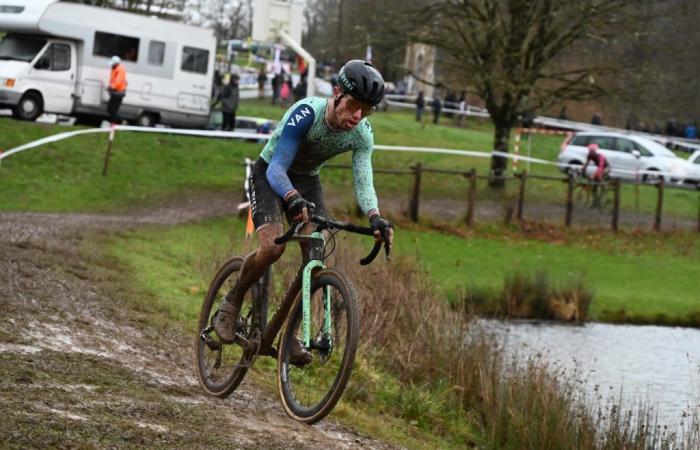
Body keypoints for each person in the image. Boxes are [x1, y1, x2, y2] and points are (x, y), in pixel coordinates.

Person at [213, 60, 394, 363]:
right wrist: (291, 198)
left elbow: (363, 181)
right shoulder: (306, 113)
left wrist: (375, 216)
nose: (358, 116)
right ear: (336, 93)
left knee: (315, 259)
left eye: (367, 109)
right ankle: (231, 302)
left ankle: (288, 335)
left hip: (307, 181)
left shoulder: (362, 133)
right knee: (272, 249)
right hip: (270, 174)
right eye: (353, 105)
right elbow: (278, 168)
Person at [107, 56, 127, 124]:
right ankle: (115, 124)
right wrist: (110, 87)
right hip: (116, 93)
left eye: (113, 64)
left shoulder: (120, 69)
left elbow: (118, 81)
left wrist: (111, 87)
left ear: (116, 63)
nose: (111, 65)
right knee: (112, 110)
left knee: (111, 109)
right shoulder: (115, 69)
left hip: (118, 93)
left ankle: (121, 122)